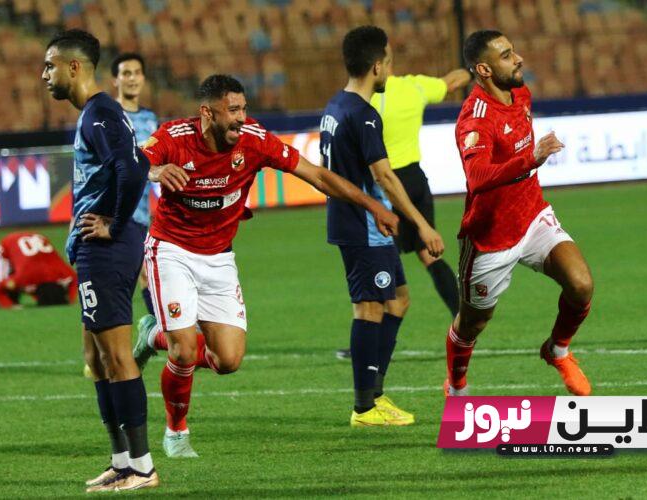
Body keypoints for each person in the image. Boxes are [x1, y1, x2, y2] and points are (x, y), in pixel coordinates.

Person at [131, 74, 399, 456]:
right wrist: (155, 171)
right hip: (171, 251)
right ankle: (176, 432)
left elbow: (318, 176)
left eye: (244, 109)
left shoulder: (255, 141)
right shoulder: (175, 137)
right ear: (207, 113)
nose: (242, 118)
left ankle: (153, 334)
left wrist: (373, 206)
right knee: (186, 352)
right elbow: (134, 161)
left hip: (219, 257)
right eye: (233, 110)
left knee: (228, 360)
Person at [445, 30, 594, 398]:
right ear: (484, 69)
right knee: (473, 322)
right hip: (491, 238)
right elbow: (477, 177)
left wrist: (530, 162)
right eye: (507, 55)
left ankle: (557, 349)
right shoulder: (475, 120)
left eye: (514, 51)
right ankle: (457, 388)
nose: (519, 59)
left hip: (532, 215)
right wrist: (532, 159)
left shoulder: (521, 93)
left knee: (581, 285)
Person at [42, 29, 158, 491]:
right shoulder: (97, 112)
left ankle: (143, 466)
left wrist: (112, 221)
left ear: (74, 67)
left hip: (108, 246)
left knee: (115, 355)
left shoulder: (100, 113)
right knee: (96, 357)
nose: (44, 74)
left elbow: (134, 167)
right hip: (98, 247)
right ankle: (122, 460)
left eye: (50, 65)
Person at [320, 25, 445, 427]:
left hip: (363, 225)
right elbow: (386, 177)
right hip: (364, 226)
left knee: (398, 299)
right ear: (377, 66)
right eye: (388, 61)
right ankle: (364, 407)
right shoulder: (364, 115)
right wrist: (423, 225)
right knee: (369, 307)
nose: (390, 68)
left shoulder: (334, 107)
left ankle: (376, 391)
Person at [335, 58, 473, 360]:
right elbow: (452, 81)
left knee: (378, 265)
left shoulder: (364, 97)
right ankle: (465, 327)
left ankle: (366, 340)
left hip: (384, 182)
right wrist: (472, 70)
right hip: (414, 180)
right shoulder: (415, 87)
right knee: (429, 254)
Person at [111, 52, 158, 316]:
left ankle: (156, 333)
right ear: (115, 80)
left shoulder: (150, 119)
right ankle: (159, 331)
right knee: (130, 277)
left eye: (136, 73)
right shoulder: (108, 115)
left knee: (143, 274)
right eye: (126, 73)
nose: (132, 79)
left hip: (141, 213)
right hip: (114, 212)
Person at [0, 231, 77, 308]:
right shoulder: (21, 278)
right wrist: (9, 305)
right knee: (5, 286)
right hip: (7, 244)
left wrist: (71, 300)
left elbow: (75, 279)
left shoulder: (64, 273)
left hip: (38, 239)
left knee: (14, 285)